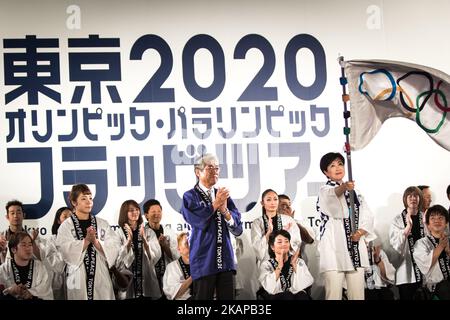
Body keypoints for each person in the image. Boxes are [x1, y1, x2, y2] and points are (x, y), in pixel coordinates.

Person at [181, 153, 243, 300]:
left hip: (225, 259)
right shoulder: (190, 196)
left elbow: (238, 228)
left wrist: (225, 211)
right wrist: (215, 204)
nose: (215, 171)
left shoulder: (222, 195)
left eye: (217, 168)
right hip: (204, 260)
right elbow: (198, 220)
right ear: (198, 172)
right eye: (210, 168)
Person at [316, 152, 376, 300]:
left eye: (340, 164)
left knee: (357, 295)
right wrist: (343, 187)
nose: (338, 168)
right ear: (326, 172)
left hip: (355, 247)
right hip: (334, 248)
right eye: (332, 165)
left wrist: (360, 232)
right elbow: (333, 200)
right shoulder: (324, 190)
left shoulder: (355, 192)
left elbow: (367, 214)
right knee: (334, 294)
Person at [56, 184, 120, 300]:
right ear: (74, 203)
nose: (88, 202)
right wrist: (86, 241)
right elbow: (64, 250)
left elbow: (114, 245)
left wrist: (95, 242)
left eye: (90, 198)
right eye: (84, 198)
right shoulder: (66, 226)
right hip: (76, 275)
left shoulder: (102, 223)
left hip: (100, 274)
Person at [114, 199, 161, 299]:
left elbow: (155, 257)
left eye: (137, 209)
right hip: (127, 285)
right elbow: (117, 262)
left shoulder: (148, 232)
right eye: (131, 210)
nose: (135, 212)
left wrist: (144, 240)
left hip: (147, 284)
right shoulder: (118, 233)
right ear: (124, 213)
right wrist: (129, 241)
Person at [389, 186, 426, 300]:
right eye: (409, 196)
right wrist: (407, 228)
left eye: (416, 196)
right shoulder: (397, 219)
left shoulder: (425, 218)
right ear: (405, 199)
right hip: (405, 272)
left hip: (423, 269)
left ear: (420, 198)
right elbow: (394, 244)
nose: (413, 198)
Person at [258, 229, 313, 300]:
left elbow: (304, 284)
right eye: (279, 242)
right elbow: (269, 287)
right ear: (272, 247)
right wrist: (279, 267)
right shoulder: (266, 265)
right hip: (275, 297)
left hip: (296, 296)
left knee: (302, 296)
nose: (283, 244)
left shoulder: (298, 261)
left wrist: (294, 265)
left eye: (286, 241)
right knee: (287, 296)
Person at [251, 189, 301, 265]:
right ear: (262, 203)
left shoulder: (288, 220)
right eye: (268, 200)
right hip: (267, 264)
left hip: (287, 262)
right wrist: (268, 233)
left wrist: (285, 234)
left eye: (275, 199)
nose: (272, 203)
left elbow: (297, 242)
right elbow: (257, 248)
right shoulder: (258, 223)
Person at [0, 232, 53, 299]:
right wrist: (10, 291)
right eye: (24, 245)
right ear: (13, 249)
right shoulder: (3, 270)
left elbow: (46, 292)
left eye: (30, 245)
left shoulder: (40, 267)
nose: (28, 248)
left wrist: (31, 293)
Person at [143, 199, 179, 299]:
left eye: (159, 211)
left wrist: (165, 246)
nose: (157, 214)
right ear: (146, 215)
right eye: (153, 212)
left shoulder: (169, 231)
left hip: (169, 276)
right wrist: (157, 245)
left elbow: (176, 256)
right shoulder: (143, 233)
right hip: (150, 278)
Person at [413, 204, 450, 300]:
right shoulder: (421, 243)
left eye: (441, 218)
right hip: (434, 288)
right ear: (428, 224)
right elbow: (425, 265)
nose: (437, 221)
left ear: (446, 223)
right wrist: (441, 247)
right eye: (433, 218)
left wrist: (449, 251)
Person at [42, 206, 72, 299]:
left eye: (71, 216)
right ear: (58, 221)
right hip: (58, 281)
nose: (69, 219)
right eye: (65, 216)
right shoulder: (52, 240)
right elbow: (52, 262)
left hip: (75, 279)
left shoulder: (79, 239)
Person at [1, 200, 43, 265]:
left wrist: (32, 242)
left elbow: (41, 258)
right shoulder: (1, 237)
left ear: (23, 215)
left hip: (28, 272)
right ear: (7, 217)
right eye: (12, 213)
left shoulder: (32, 236)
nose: (15, 216)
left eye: (18, 213)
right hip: (6, 273)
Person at [163, 232, 193, 300]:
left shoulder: (204, 265)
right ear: (179, 249)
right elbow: (174, 294)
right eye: (187, 244)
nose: (191, 246)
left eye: (193, 243)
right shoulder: (171, 267)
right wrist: (193, 276)